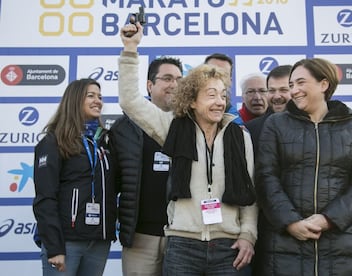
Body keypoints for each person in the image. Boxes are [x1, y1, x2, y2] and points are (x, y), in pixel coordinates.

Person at [118, 22, 258, 275]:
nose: (219, 102)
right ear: (192, 101)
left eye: (223, 95)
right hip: (183, 245)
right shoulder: (173, 127)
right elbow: (130, 100)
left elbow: (250, 192)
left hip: (230, 246)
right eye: (211, 95)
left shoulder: (239, 135)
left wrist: (248, 234)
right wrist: (130, 48)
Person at [254, 58, 352, 275]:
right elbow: (266, 177)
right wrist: (290, 222)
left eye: (301, 83)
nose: (295, 90)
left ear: (324, 84)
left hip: (342, 246)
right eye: (292, 85)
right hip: (285, 246)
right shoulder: (275, 124)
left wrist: (329, 219)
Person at [32, 78, 118, 275]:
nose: (98, 101)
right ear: (74, 100)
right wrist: (54, 247)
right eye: (91, 96)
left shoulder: (105, 142)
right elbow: (45, 198)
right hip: (66, 241)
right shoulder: (53, 142)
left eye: (100, 96)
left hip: (98, 240)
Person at [110, 56, 183, 276]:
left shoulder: (191, 124)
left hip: (183, 238)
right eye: (167, 78)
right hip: (140, 238)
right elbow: (111, 181)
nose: (174, 85)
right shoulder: (124, 127)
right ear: (149, 85)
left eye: (179, 79)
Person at [245, 65, 292, 153]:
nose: (277, 96)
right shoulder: (250, 130)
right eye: (272, 90)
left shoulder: (312, 126)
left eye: (283, 90)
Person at [204, 53, 243, 126]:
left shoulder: (233, 117)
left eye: (223, 74)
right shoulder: (185, 109)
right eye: (212, 73)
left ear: (230, 80)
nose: (217, 78)